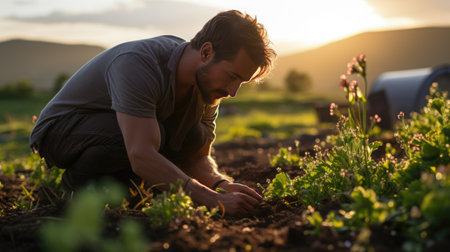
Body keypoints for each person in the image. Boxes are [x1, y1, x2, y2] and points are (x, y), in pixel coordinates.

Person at [30, 10, 276, 216]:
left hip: (119, 133)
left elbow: (198, 156)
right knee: (142, 137)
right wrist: (211, 200)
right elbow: (141, 154)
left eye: (240, 83)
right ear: (206, 53)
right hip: (60, 132)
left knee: (195, 135)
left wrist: (220, 185)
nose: (233, 92)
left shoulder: (208, 88)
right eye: (232, 77)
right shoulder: (140, 63)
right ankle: (71, 193)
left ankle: (121, 190)